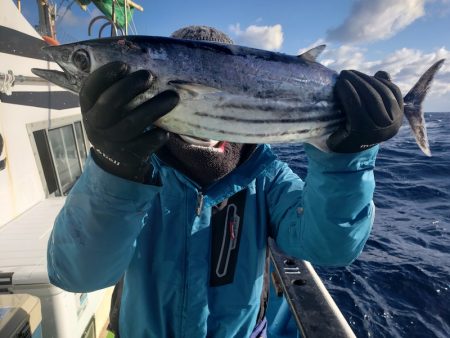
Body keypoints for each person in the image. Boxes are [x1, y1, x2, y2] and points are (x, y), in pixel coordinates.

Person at [47, 26, 404, 338]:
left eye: (82, 61)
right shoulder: (131, 173)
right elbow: (77, 275)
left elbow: (332, 247)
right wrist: (114, 171)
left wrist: (348, 159)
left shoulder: (266, 176)